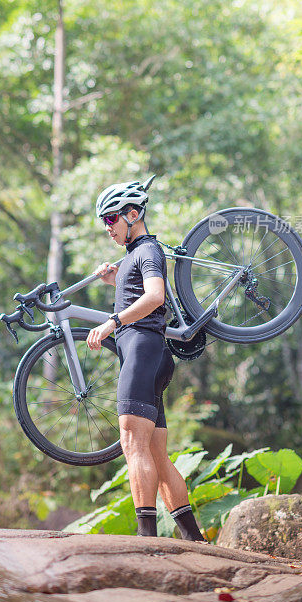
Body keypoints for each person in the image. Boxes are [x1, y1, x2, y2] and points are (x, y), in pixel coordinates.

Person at [86, 177, 206, 541]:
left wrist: (113, 321)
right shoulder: (138, 254)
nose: (107, 228)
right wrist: (116, 282)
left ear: (132, 214)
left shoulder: (147, 251)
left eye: (110, 219)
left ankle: (146, 538)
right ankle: (194, 539)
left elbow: (155, 296)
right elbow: (145, 294)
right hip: (151, 353)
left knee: (132, 443)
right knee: (155, 451)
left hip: (141, 348)